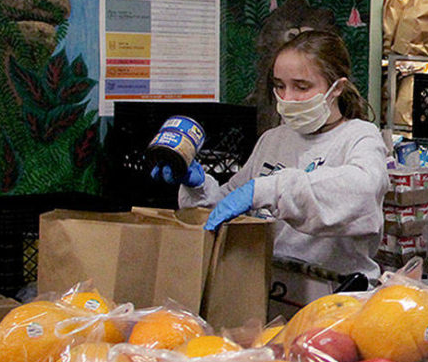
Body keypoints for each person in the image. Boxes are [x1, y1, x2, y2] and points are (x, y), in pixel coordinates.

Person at [152, 30, 389, 282]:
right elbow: (227, 207)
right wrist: (197, 188)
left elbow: (361, 192)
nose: (287, 98)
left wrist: (271, 188)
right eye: (279, 85)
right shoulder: (274, 139)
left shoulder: (360, 136)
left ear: (337, 88)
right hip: (275, 284)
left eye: (301, 86)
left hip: (335, 292)